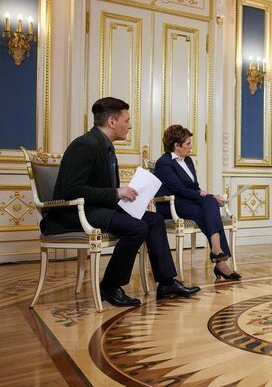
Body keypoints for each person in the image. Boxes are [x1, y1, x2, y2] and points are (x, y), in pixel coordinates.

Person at [40, 97, 200, 307]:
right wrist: (116, 192)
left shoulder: (105, 146)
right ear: (111, 122)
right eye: (127, 120)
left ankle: (167, 283)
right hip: (72, 214)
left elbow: (101, 189)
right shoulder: (84, 145)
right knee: (137, 227)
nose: (130, 125)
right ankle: (109, 285)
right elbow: (72, 191)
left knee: (154, 220)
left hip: (97, 209)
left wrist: (131, 196)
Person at [154, 125, 240, 280]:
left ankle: (217, 251)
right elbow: (178, 189)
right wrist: (209, 197)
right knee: (209, 205)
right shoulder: (163, 163)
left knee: (209, 203)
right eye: (188, 143)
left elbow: (195, 187)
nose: (191, 147)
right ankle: (220, 261)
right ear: (176, 145)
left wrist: (209, 196)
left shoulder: (188, 161)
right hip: (171, 205)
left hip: (189, 202)